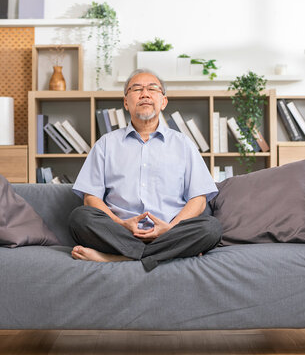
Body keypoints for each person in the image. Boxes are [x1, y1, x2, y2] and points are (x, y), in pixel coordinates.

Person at [69, 69, 222, 271]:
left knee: (211, 228)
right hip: (119, 233)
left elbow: (199, 199)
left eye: (152, 89)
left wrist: (170, 228)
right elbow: (91, 198)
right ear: (126, 102)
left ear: (163, 101)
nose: (145, 94)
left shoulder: (183, 144)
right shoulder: (106, 144)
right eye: (137, 89)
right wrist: (121, 224)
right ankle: (163, 255)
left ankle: (118, 259)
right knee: (79, 217)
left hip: (170, 233)